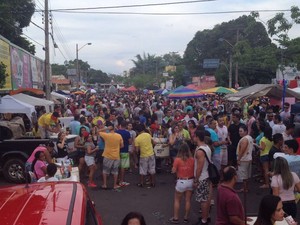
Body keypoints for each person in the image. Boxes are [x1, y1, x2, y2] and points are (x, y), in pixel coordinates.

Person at [169, 142, 194, 224]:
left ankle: (176, 218)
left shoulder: (177, 160)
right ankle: (186, 217)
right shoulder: (192, 159)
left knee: (177, 200)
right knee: (188, 200)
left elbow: (173, 170)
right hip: (190, 181)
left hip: (181, 181)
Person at [193, 130, 212, 225]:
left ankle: (204, 220)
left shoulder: (200, 151)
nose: (193, 137)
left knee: (203, 200)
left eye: (194, 136)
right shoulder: (206, 147)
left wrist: (196, 180)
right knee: (206, 198)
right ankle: (206, 216)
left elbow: (199, 167)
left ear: (197, 137)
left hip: (202, 177)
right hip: (206, 175)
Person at [99, 123, 124, 190]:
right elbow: (122, 146)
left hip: (107, 155)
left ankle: (105, 184)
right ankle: (115, 185)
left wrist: (106, 128)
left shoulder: (106, 135)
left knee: (105, 170)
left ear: (110, 129)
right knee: (115, 171)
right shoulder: (119, 136)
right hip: (116, 155)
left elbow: (98, 131)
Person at [236, 124, 253, 192]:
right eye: (239, 131)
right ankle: (246, 188)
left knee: (244, 176)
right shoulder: (249, 137)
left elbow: (242, 150)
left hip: (244, 159)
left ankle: (245, 188)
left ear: (245, 131)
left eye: (241, 131)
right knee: (246, 175)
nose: (239, 132)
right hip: (248, 158)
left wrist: (238, 159)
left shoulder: (244, 139)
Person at [116, 120, 132, 186]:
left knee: (117, 167)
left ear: (120, 125)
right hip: (125, 150)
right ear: (126, 126)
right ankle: (121, 181)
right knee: (123, 167)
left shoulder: (116, 132)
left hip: (117, 151)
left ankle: (117, 179)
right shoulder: (127, 133)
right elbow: (130, 142)